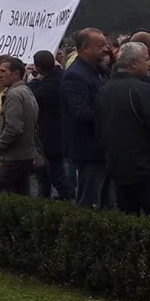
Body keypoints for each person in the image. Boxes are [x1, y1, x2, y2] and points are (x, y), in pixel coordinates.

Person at [96, 43, 150, 218]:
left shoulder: (104, 89)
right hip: (147, 171)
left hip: (118, 169)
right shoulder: (142, 89)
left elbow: (100, 129)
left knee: (128, 221)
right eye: (146, 59)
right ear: (133, 63)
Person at [62, 28, 112, 208]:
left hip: (104, 149)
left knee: (108, 203)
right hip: (90, 149)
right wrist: (111, 116)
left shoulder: (100, 71)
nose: (106, 48)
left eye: (106, 44)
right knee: (90, 203)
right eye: (100, 45)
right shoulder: (76, 75)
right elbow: (80, 112)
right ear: (85, 48)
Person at [0, 57, 38, 195]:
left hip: (14, 156)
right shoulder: (25, 91)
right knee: (21, 197)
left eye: (3, 71)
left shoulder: (14, 95)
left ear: (16, 74)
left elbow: (13, 128)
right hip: (23, 154)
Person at [29, 50, 73, 200]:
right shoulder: (58, 77)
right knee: (47, 169)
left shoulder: (51, 83)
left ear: (39, 67)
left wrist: (34, 80)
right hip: (54, 130)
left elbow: (34, 97)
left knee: (55, 170)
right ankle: (46, 193)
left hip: (51, 133)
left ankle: (65, 196)